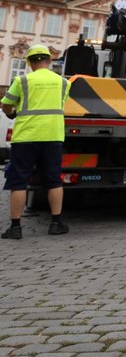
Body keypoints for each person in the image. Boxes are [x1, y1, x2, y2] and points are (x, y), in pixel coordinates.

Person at [0, 44, 72, 239]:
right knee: (54, 180)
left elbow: (5, 104)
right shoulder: (64, 82)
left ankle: (15, 228)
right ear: (49, 61)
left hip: (25, 137)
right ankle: (56, 223)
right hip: (53, 136)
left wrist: (12, 112)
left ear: (30, 63)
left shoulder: (22, 80)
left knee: (18, 181)